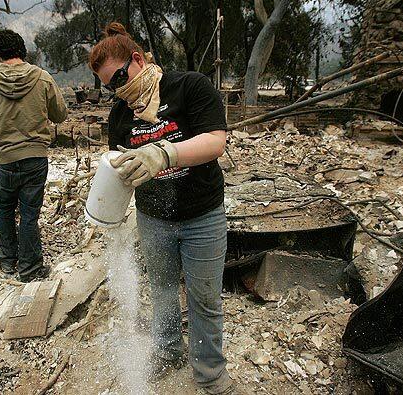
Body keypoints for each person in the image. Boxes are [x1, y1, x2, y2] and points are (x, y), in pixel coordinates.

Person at [89, 22, 234, 395]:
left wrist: (165, 152)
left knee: (204, 297)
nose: (117, 88)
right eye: (109, 85)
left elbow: (215, 142)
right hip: (153, 219)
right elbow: (119, 167)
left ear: (137, 59)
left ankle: (209, 372)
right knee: (164, 290)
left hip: (202, 214)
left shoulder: (189, 87)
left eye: (120, 76)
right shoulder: (121, 115)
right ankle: (167, 352)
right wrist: (108, 206)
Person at [0, 29, 67, 283]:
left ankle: (7, 261)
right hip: (35, 157)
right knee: (29, 214)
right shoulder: (42, 78)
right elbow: (60, 114)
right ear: (22, 51)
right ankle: (30, 268)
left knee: (4, 210)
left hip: (2, 159)